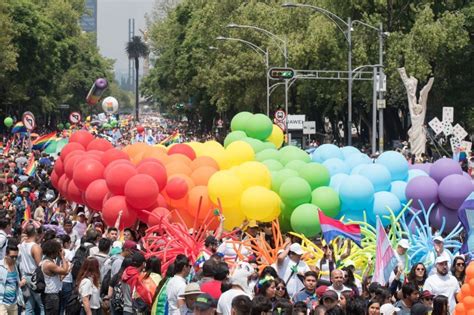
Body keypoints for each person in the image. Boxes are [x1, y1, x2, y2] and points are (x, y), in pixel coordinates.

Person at [18, 224, 43, 314]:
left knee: (29, 306)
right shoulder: (35, 247)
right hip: (34, 279)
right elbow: (40, 266)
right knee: (42, 305)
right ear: (35, 232)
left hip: (25, 278)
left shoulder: (22, 244)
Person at [41, 239, 70, 314]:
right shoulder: (49, 264)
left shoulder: (47, 261)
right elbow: (65, 271)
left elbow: (59, 277)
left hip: (52, 294)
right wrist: (63, 257)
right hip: (51, 296)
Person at [0, 243, 25, 314]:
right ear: (6, 255)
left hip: (14, 302)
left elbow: (23, 274)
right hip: (1, 302)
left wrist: (23, 279)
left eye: (16, 257)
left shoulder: (16, 265)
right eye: (12, 256)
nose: (14, 259)